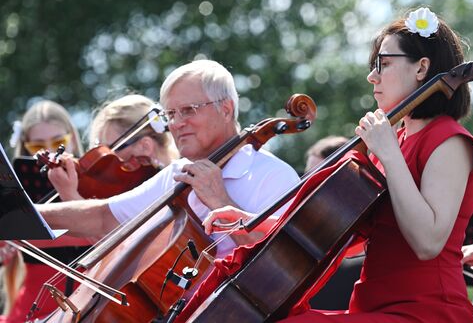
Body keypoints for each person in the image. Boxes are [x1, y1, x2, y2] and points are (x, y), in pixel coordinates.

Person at [203, 7, 473, 322]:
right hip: (373, 308)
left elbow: (427, 243)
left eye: (384, 63)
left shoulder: (449, 140)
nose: (372, 76)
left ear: (422, 68)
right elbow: (332, 232)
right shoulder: (393, 141)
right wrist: (255, 223)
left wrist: (388, 153)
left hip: (428, 312)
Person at [36, 59, 300, 261]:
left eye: (188, 110)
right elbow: (103, 217)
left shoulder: (273, 175)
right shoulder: (178, 173)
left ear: (226, 108)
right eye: (171, 114)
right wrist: (21, 214)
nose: (177, 123)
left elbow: (284, 261)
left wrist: (221, 201)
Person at [1, 100, 86, 322]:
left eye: (59, 142)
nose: (49, 152)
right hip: (33, 309)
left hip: (90, 305)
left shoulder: (99, 182)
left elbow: (103, 234)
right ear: (25, 146)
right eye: (37, 146)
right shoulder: (13, 196)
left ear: (73, 140)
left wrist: (71, 196)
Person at [48, 94, 179, 201]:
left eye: (111, 149)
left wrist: (71, 196)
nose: (104, 161)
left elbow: (114, 229)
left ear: (145, 147)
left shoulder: (173, 190)